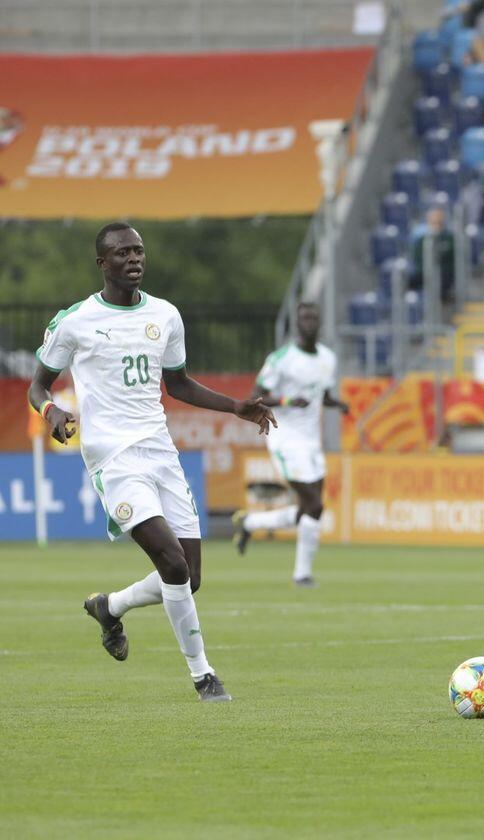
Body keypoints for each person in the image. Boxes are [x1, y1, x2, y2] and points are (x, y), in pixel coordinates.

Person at [30, 223, 275, 702]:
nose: (134, 259)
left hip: (161, 452)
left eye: (139, 251)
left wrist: (236, 407)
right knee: (171, 561)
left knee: (189, 577)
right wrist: (51, 410)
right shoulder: (76, 321)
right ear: (102, 263)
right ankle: (204, 677)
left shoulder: (165, 315)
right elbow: (38, 384)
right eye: (123, 252)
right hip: (114, 458)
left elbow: (177, 384)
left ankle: (110, 607)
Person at [231, 303, 348, 587]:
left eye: (313, 318)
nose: (309, 322)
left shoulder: (328, 359)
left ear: (319, 322)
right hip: (285, 438)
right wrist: (287, 401)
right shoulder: (282, 359)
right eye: (304, 318)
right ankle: (302, 575)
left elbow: (322, 395)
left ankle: (249, 523)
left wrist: (338, 404)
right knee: (314, 504)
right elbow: (255, 396)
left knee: (310, 509)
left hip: (312, 441)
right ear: (297, 323)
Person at [408, 206, 457, 302]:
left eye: (439, 222)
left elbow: (448, 259)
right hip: (423, 272)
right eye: (433, 222)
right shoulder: (422, 239)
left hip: (443, 274)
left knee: (440, 283)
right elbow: (418, 259)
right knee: (407, 282)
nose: (436, 225)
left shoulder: (449, 238)